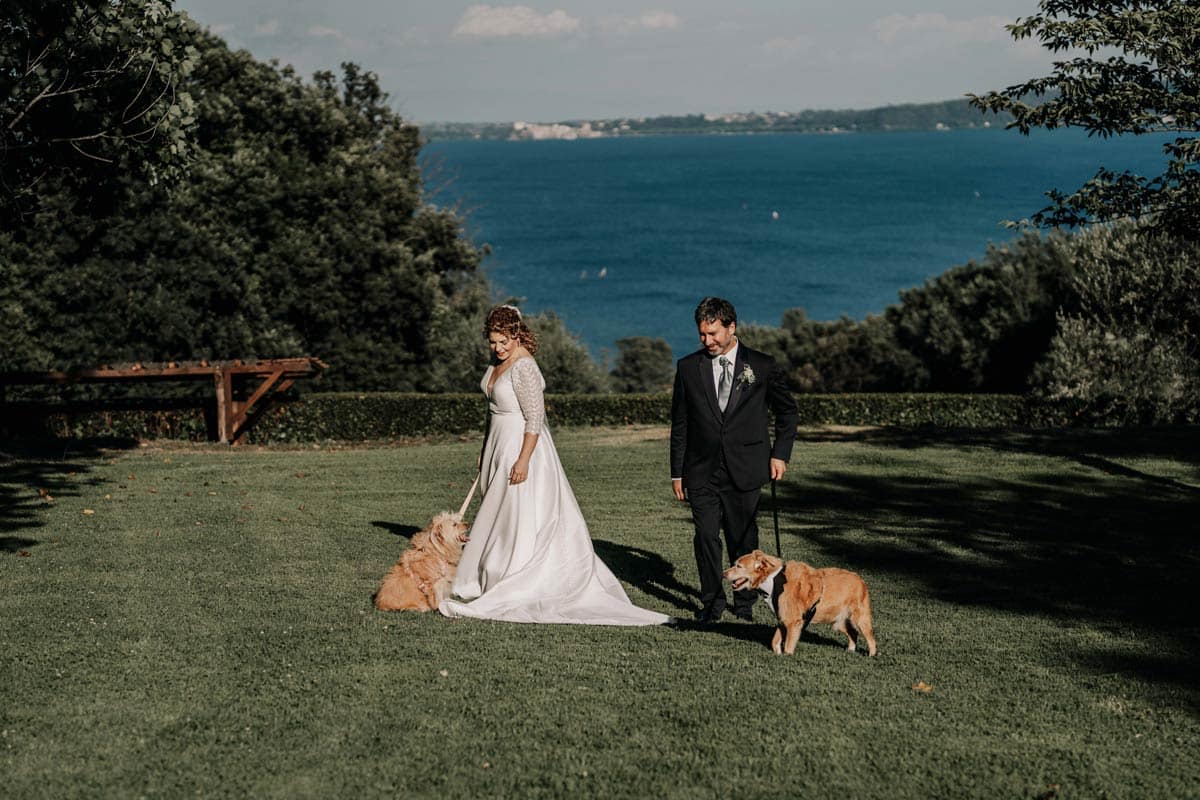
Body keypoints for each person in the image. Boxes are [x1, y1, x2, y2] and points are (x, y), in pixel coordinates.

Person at [440, 305, 671, 626]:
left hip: (521, 447)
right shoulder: (496, 362)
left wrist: (523, 459)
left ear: (517, 334)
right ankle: (491, 571)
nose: (498, 348)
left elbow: (535, 418)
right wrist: (484, 448)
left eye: (504, 341)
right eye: (493, 342)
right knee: (497, 514)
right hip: (497, 443)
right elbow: (491, 411)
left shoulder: (525, 367)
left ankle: (515, 573)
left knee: (517, 514)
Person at [670, 297, 799, 625]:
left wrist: (780, 454)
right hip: (700, 471)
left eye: (713, 333)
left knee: (743, 539)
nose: (707, 341)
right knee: (706, 537)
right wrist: (677, 473)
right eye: (702, 334)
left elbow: (787, 412)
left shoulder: (762, 365)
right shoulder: (688, 368)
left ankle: (744, 604)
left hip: (747, 467)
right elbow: (681, 423)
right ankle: (711, 603)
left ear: (732, 327)